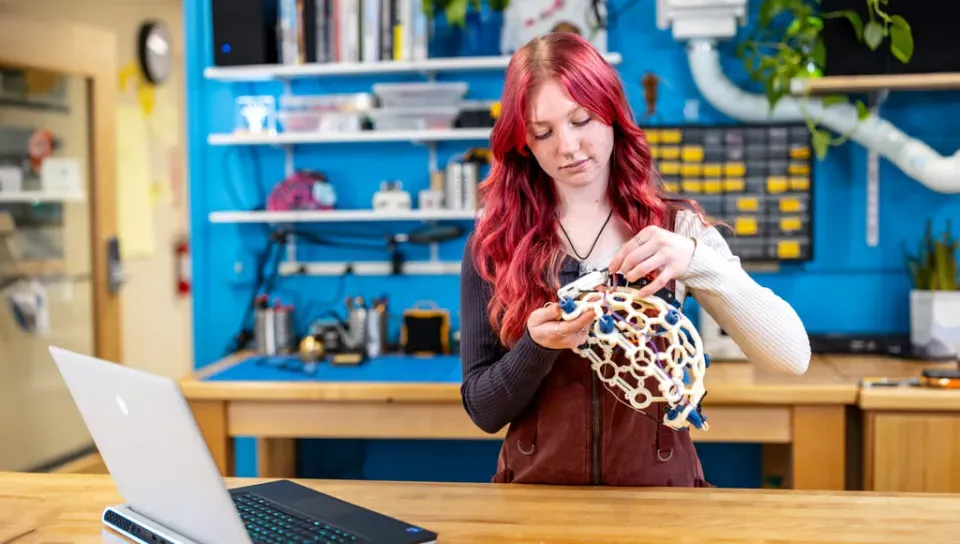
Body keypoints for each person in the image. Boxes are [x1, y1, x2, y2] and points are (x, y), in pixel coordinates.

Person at [458, 31, 812, 487]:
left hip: (663, 507)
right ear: (523, 142)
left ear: (611, 114)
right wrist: (536, 346)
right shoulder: (495, 245)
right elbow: (483, 411)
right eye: (543, 132)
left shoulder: (675, 228)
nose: (567, 147)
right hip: (537, 509)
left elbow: (791, 356)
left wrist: (698, 261)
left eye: (581, 120)